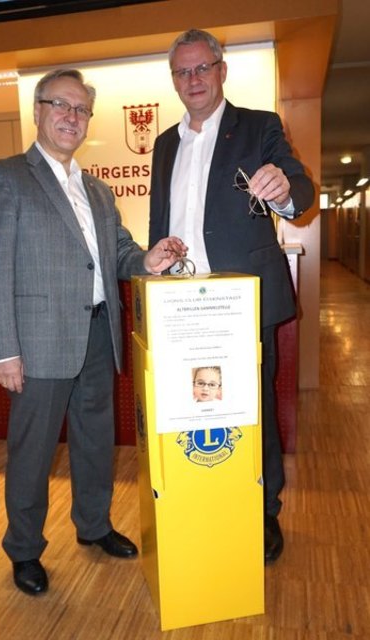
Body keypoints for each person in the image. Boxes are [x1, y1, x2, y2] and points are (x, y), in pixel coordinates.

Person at [0, 68, 186, 596]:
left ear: (89, 120)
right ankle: (24, 550)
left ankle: (93, 526)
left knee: (94, 445)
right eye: (60, 106)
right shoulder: (5, 176)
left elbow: (119, 254)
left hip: (97, 334)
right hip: (38, 343)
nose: (71, 117)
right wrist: (3, 350)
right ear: (38, 112)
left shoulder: (98, 189)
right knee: (33, 453)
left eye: (80, 110)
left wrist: (149, 260)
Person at [148, 29, 315, 564]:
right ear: (174, 79)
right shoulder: (165, 143)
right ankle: (204, 501)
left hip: (239, 301)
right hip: (181, 301)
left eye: (202, 68)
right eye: (182, 72)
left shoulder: (259, 126)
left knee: (253, 409)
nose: (193, 80)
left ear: (221, 71)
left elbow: (300, 187)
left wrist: (285, 190)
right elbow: (160, 220)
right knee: (192, 409)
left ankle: (264, 512)